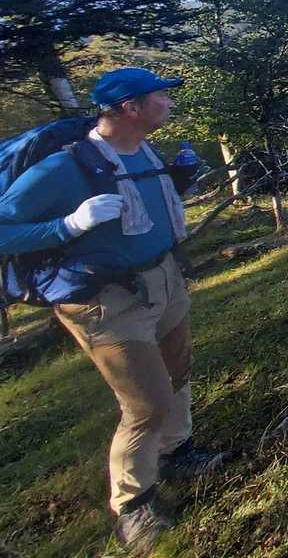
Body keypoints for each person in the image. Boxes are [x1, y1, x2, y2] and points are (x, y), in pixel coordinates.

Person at [0, 68, 229, 553]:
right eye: (161, 96)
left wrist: (176, 185)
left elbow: (137, 209)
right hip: (106, 301)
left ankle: (177, 451)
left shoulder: (143, 149)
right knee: (146, 403)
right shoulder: (63, 168)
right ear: (131, 107)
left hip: (162, 278)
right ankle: (133, 504)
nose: (169, 103)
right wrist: (66, 226)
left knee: (177, 372)